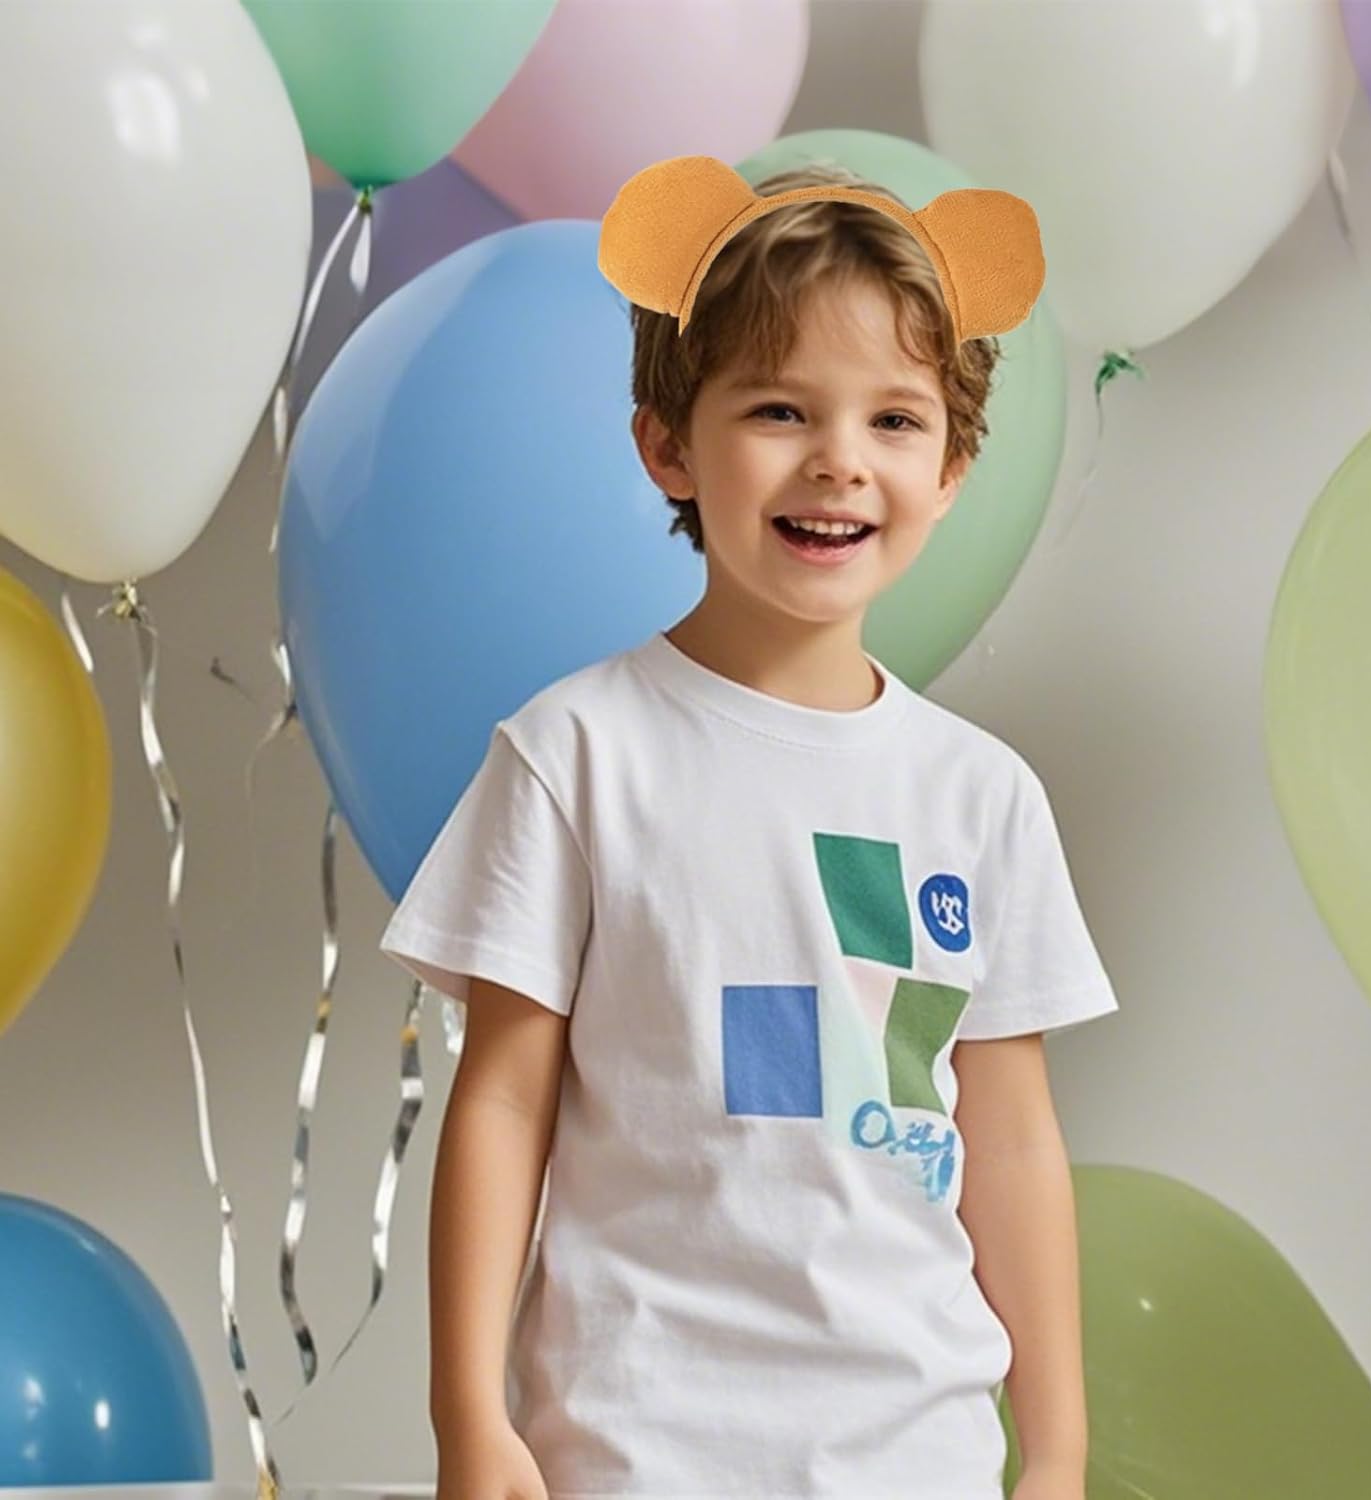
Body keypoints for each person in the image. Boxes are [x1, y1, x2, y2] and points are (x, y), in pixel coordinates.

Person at [380, 160, 1120, 1500]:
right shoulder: (576, 754)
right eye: (780, 408)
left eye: (894, 418)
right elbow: (501, 1101)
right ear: (669, 444)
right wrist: (467, 1416)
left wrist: (1057, 1450)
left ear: (952, 467)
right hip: (637, 1449)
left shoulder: (984, 796)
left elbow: (1012, 1141)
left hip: (921, 1459)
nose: (839, 458)